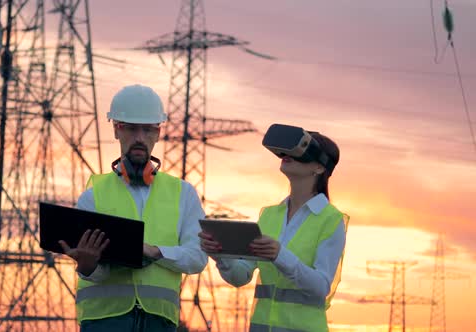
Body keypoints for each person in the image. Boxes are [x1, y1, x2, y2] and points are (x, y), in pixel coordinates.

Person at [58, 84, 208, 332]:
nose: (140, 138)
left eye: (148, 130)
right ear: (117, 130)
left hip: (159, 323)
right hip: (103, 322)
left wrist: (154, 252)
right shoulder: (92, 197)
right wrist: (87, 266)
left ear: (158, 133)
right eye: (131, 128)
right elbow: (94, 273)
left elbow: (198, 258)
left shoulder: (183, 194)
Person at [199, 128, 348, 332]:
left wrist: (280, 255)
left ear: (319, 168)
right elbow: (240, 277)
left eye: (299, 151)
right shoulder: (269, 216)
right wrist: (221, 256)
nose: (287, 156)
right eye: (285, 152)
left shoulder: (330, 220)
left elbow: (321, 287)